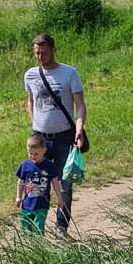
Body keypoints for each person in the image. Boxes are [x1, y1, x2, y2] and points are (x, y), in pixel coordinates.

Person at [24, 33, 86, 238]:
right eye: (36, 53)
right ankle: (36, 227)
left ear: (53, 50)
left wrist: (79, 129)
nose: (40, 57)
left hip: (64, 137)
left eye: (43, 53)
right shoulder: (30, 75)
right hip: (40, 137)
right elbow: (31, 100)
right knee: (36, 183)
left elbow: (80, 105)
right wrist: (34, 123)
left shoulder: (69, 73)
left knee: (64, 184)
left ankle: (61, 227)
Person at [15, 134, 65, 236]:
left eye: (36, 154)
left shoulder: (49, 166)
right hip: (27, 204)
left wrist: (60, 198)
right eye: (30, 153)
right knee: (25, 227)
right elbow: (21, 182)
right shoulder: (25, 165)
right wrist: (18, 197)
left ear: (44, 150)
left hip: (42, 204)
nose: (33, 156)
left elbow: (55, 182)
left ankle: (39, 244)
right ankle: (28, 244)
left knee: (38, 227)